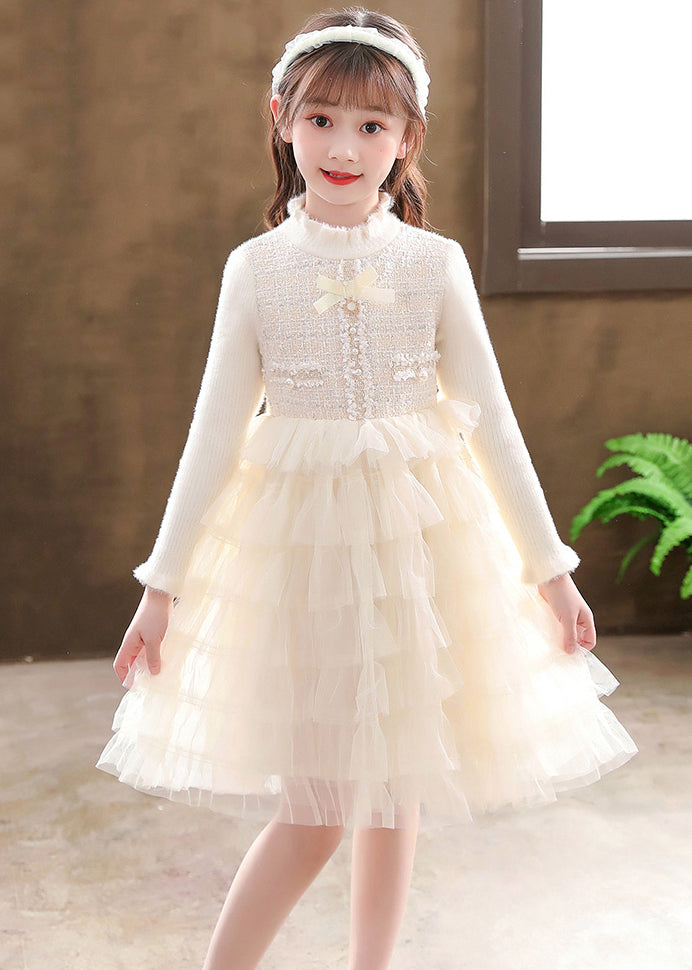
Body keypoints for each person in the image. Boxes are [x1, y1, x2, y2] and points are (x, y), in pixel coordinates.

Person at [96, 8, 638, 970]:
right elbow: (213, 433)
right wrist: (162, 584)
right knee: (318, 805)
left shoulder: (434, 265)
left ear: (406, 139)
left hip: (423, 549)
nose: (343, 148)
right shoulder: (256, 270)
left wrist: (550, 571)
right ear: (281, 118)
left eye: (371, 125)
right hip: (302, 555)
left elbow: (493, 421)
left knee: (396, 790)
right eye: (320, 120)